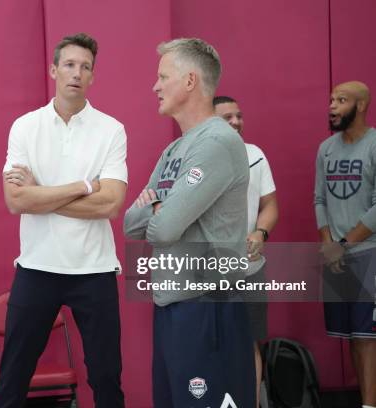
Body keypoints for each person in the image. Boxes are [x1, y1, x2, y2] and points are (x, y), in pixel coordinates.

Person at [0, 33, 127, 408]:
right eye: (69, 65)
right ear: (53, 69)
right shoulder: (25, 127)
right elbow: (15, 199)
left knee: (106, 377)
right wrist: (84, 185)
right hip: (37, 266)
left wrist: (42, 194)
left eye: (85, 67)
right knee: (13, 377)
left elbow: (110, 205)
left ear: (93, 77)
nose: (77, 73)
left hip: (95, 269)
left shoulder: (111, 130)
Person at [124, 38, 255, 407]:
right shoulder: (175, 149)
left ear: (190, 81)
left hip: (208, 306)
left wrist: (158, 211)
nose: (155, 85)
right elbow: (130, 224)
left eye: (163, 76)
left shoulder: (216, 142)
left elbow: (163, 230)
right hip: (172, 305)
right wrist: (163, 211)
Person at [214, 95, 278, 407]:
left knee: (249, 343)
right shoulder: (197, 158)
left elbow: (270, 206)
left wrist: (260, 231)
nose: (237, 122)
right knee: (212, 346)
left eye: (238, 116)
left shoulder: (255, 155)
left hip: (250, 270)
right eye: (227, 117)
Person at [315, 80, 376, 408]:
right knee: (353, 335)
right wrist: (329, 244)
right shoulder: (326, 149)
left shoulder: (374, 144)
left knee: (369, 336)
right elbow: (319, 198)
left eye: (341, 100)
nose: (332, 106)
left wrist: (344, 243)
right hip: (336, 253)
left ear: (361, 105)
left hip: (368, 252)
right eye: (331, 100)